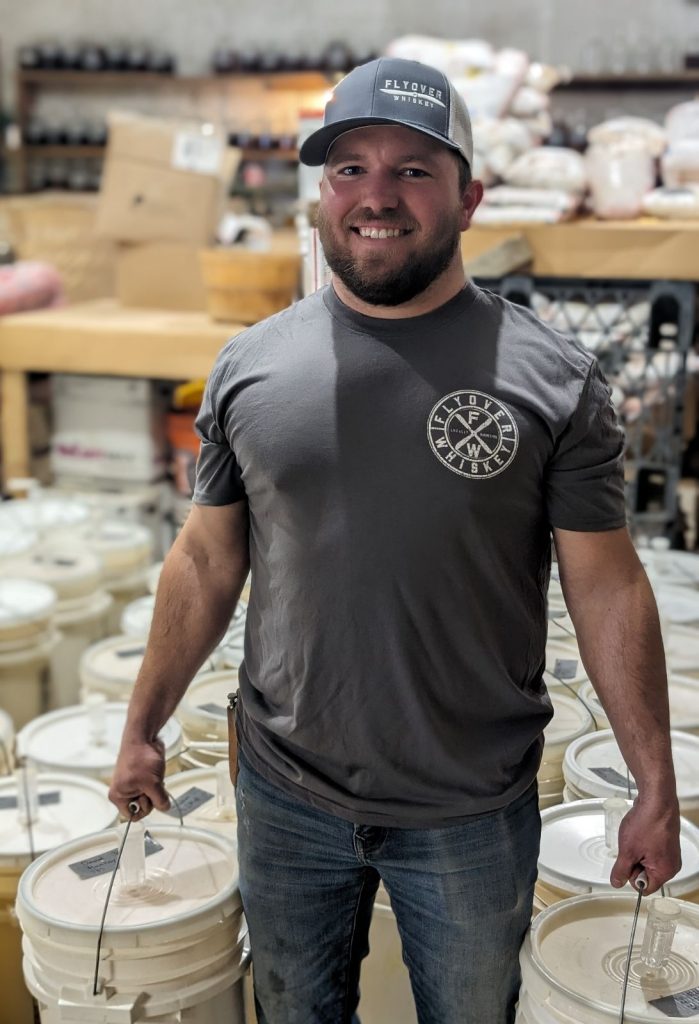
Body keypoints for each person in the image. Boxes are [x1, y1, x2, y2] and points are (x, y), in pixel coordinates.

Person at [110, 56, 681, 1024]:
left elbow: (607, 587)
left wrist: (653, 783)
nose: (376, 196)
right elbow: (205, 561)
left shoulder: (552, 380)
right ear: (320, 195)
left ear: (469, 199)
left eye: (413, 170)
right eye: (350, 169)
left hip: (469, 809)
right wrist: (141, 727)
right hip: (286, 795)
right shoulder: (251, 367)